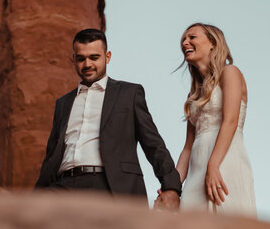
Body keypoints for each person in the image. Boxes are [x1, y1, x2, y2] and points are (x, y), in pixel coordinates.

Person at [35, 29, 182, 210]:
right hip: (63, 186)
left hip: (109, 184)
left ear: (107, 56)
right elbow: (51, 155)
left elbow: (153, 144)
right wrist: (37, 195)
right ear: (73, 59)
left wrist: (171, 186)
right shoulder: (63, 103)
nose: (87, 64)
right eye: (81, 58)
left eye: (94, 57)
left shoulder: (129, 93)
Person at [175, 23, 256, 216]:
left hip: (225, 162)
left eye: (192, 37)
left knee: (228, 228)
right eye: (183, 40)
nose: (185, 42)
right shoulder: (193, 93)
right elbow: (187, 147)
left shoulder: (230, 73)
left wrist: (213, 166)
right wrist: (173, 187)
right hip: (197, 170)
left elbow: (230, 121)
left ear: (212, 43)